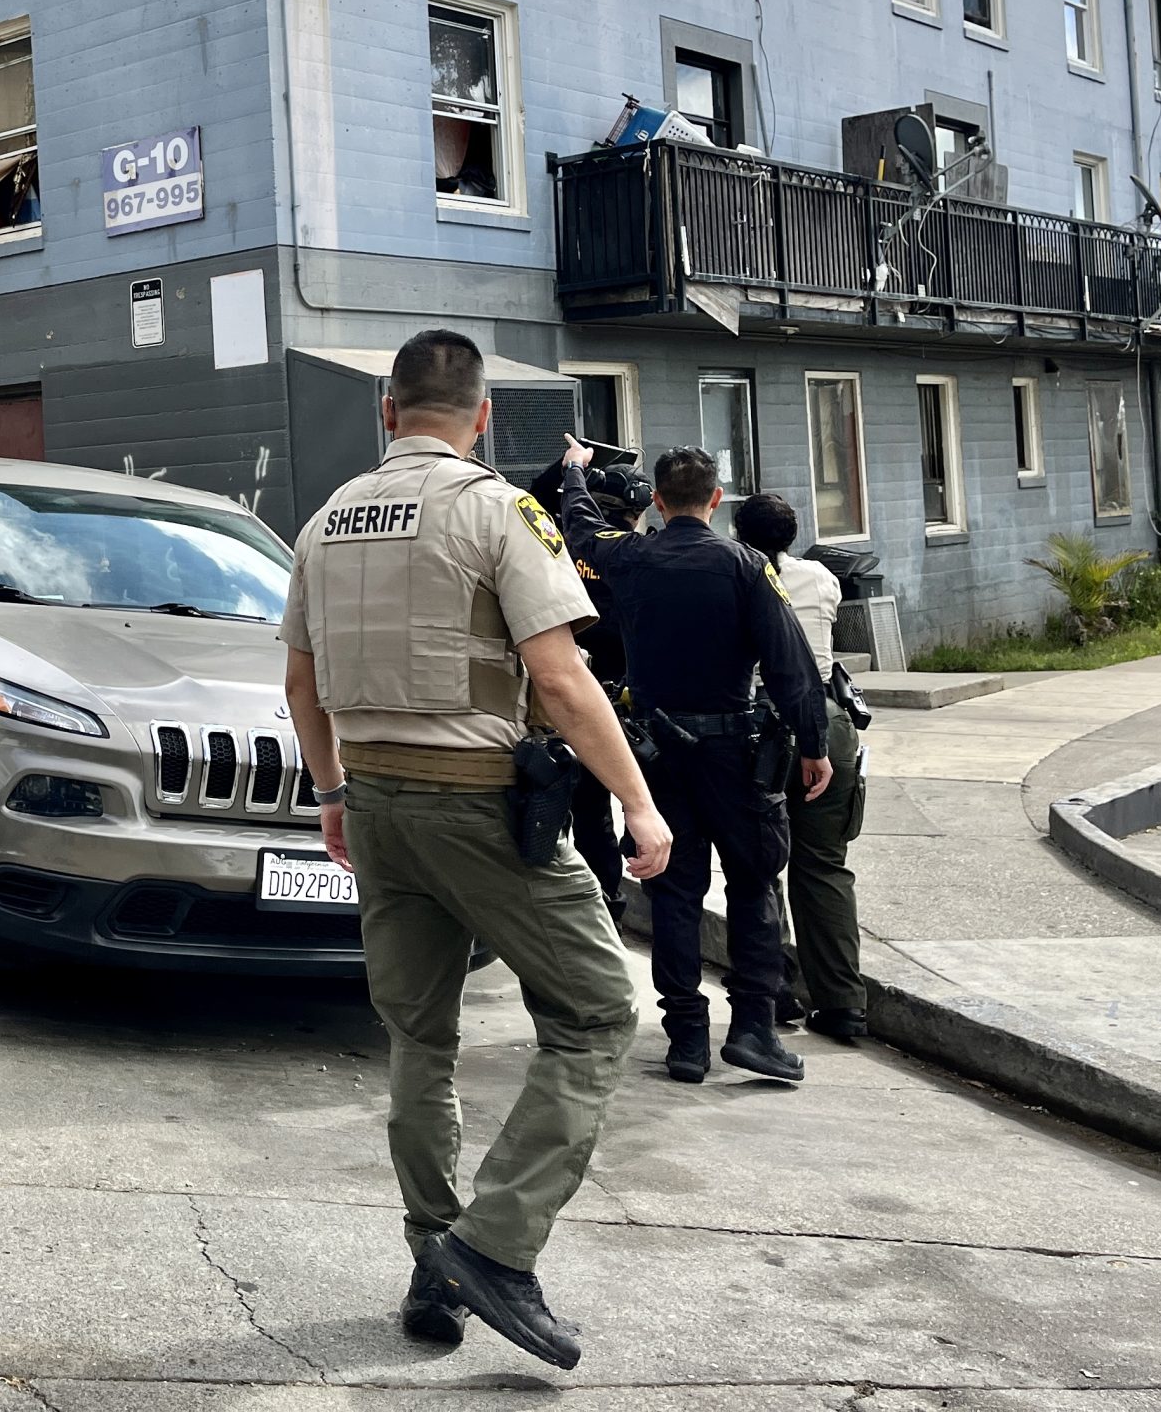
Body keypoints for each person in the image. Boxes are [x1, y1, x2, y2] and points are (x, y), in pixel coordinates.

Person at [281, 331, 672, 1371]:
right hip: (479, 806)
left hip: (374, 803)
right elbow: (559, 677)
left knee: (421, 1040)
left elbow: (299, 685)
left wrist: (330, 795)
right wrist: (638, 804)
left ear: (386, 412)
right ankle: (492, 1248)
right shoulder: (501, 511)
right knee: (595, 1012)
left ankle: (431, 1263)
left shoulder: (324, 521)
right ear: (483, 414)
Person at [558, 439, 828, 1088]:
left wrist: (574, 471)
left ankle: (685, 1040)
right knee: (753, 885)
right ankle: (754, 1030)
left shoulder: (631, 555)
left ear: (655, 500)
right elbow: (789, 663)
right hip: (737, 756)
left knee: (674, 893)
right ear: (716, 499)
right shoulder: (745, 566)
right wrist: (814, 744)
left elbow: (580, 526)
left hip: (655, 755)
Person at [733, 494, 868, 1043]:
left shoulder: (733, 574)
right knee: (824, 867)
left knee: (758, 867)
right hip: (828, 724)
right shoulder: (820, 577)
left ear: (740, 533)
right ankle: (842, 1004)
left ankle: (774, 990)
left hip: (760, 725)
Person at [535, 457, 657, 918]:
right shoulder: (641, 555)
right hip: (634, 706)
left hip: (567, 703)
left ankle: (585, 903)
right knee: (634, 810)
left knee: (579, 812)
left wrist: (569, 469)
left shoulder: (560, 550)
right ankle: (613, 899)